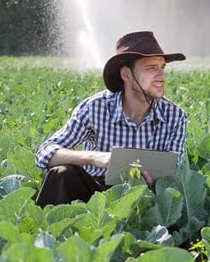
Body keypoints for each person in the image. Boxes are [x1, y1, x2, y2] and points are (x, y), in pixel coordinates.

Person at [34, 31, 187, 207]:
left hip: (146, 198)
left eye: (162, 67)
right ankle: (49, 230)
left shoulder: (175, 116)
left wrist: (152, 180)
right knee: (61, 173)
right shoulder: (95, 107)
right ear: (126, 75)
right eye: (151, 68)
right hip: (96, 194)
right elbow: (44, 153)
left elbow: (175, 172)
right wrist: (94, 157)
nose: (161, 76)